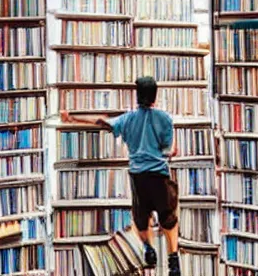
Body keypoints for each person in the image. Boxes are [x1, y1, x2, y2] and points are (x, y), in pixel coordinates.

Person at [61, 76, 181, 276]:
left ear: (137, 96)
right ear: (154, 95)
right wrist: (171, 150)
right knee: (169, 218)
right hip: (159, 176)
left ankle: (149, 249)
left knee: (141, 218)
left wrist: (71, 117)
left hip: (138, 177)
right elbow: (168, 150)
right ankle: (173, 260)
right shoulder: (165, 119)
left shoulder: (127, 119)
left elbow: (102, 122)